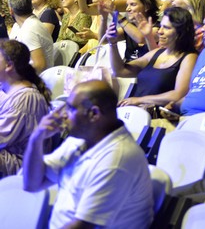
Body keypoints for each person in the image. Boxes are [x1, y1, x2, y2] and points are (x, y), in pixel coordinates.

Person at [23, 80, 154, 228]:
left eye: (71, 109)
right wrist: (36, 138)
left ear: (94, 114)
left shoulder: (117, 159)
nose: (64, 115)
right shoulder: (78, 141)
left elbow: (82, 226)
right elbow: (32, 184)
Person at [107, 6, 199, 108]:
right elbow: (120, 70)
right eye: (161, 27)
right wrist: (113, 44)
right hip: (136, 112)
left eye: (167, 28)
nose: (160, 31)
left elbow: (178, 94)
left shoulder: (189, 58)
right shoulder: (156, 53)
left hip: (158, 117)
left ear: (181, 32)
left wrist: (139, 100)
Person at [0, 40, 50, 177]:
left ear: (9, 66)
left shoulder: (26, 98)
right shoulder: (5, 88)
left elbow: (2, 138)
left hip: (21, 165)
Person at [8, 0, 54, 73]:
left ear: (11, 11)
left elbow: (39, 65)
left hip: (36, 81)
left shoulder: (30, 29)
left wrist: (11, 74)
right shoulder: (17, 26)